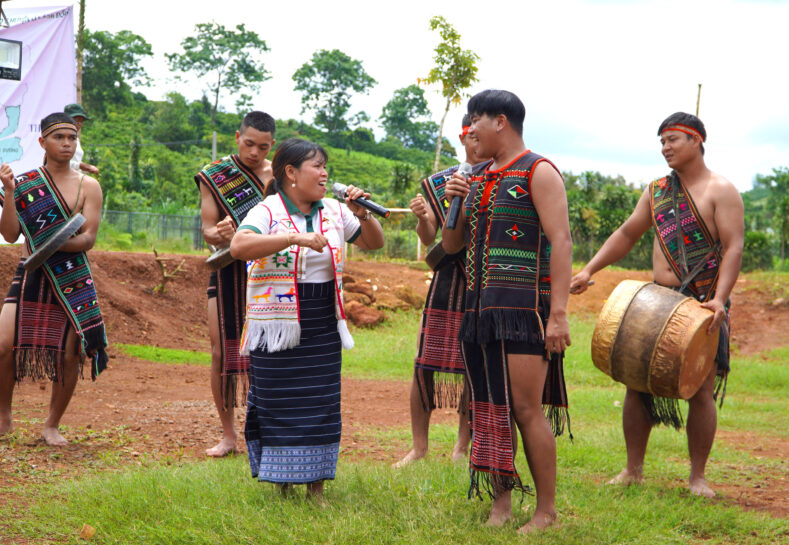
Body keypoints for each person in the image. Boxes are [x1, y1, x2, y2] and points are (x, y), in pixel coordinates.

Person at [570, 112, 743, 498]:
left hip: (701, 304)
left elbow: (734, 247)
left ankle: (697, 478)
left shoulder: (721, 190)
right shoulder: (657, 190)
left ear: (696, 140)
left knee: (700, 390)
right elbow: (628, 232)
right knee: (636, 383)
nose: (665, 148)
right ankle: (633, 470)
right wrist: (589, 269)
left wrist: (718, 299)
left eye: (673, 140)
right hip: (655, 300)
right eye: (661, 142)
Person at [443, 90, 572, 533]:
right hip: (479, 310)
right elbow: (452, 246)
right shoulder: (474, 176)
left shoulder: (539, 171)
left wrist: (558, 313)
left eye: (476, 120)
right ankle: (501, 503)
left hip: (522, 311)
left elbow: (562, 241)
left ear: (500, 121)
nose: (470, 129)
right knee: (489, 408)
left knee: (524, 408)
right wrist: (453, 205)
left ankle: (546, 511)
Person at [230, 138, 384, 502]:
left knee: (321, 401)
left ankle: (316, 488)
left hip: (322, 318)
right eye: (317, 165)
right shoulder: (268, 210)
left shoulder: (333, 209)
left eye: (325, 165)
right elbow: (239, 246)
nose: (325, 172)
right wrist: (292, 237)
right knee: (277, 399)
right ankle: (283, 483)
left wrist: (362, 213)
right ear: (291, 173)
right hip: (277, 323)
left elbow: (373, 243)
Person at [0, 113, 108, 446]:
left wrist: (50, 244)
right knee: (4, 347)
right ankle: (3, 421)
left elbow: (88, 238)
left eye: (72, 137)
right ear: (43, 142)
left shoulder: (88, 185)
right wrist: (9, 193)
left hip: (71, 277)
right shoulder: (24, 185)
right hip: (30, 272)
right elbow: (9, 234)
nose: (67, 143)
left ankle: (51, 425)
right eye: (59, 137)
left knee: (68, 355)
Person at [393, 114, 489, 468]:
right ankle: (419, 448)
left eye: (481, 134)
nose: (475, 142)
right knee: (424, 366)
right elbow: (429, 236)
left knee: (473, 368)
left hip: (485, 283)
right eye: (469, 136)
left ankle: (462, 448)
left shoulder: (504, 177)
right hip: (447, 281)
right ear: (462, 138)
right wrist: (421, 216)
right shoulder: (442, 181)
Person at [194, 111, 275, 458]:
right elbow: (208, 229)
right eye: (249, 143)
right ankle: (228, 436)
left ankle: (269, 431)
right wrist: (220, 233)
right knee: (220, 352)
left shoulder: (281, 173)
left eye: (263, 147)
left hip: (271, 271)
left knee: (271, 353)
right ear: (237, 137)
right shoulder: (215, 176)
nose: (255, 152)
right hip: (227, 270)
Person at [63, 103, 99, 175]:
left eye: (81, 121)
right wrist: (81, 166)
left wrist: (87, 167)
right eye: (76, 120)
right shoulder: (60, 138)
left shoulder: (76, 138)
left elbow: (75, 161)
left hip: (75, 179)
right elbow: (57, 163)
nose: (79, 123)